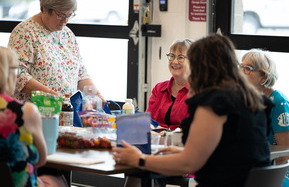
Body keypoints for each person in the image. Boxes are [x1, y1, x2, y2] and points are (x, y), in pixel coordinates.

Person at [112, 34, 273, 187]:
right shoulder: (250, 98)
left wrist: (140, 159)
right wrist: (182, 151)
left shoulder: (215, 103)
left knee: (141, 172)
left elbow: (189, 163)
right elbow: (230, 150)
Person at [8, 0, 105, 104]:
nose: (65, 21)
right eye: (61, 15)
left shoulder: (67, 34)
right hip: (34, 112)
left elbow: (80, 73)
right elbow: (17, 74)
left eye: (69, 15)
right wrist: (52, 96)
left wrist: (97, 95)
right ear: (45, 8)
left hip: (65, 110)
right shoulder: (24, 32)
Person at [0, 46, 67, 187]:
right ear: (8, 74)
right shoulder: (26, 111)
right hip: (19, 183)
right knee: (58, 181)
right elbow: (41, 159)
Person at [241, 49, 289, 187]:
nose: (241, 72)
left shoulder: (279, 103)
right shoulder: (245, 98)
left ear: (263, 77)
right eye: (241, 67)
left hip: (274, 173)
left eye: (248, 69)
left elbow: (285, 152)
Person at [146, 39, 194, 131]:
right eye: (172, 56)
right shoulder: (158, 89)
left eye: (180, 57)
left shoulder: (199, 92)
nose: (175, 61)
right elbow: (148, 122)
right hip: (156, 143)